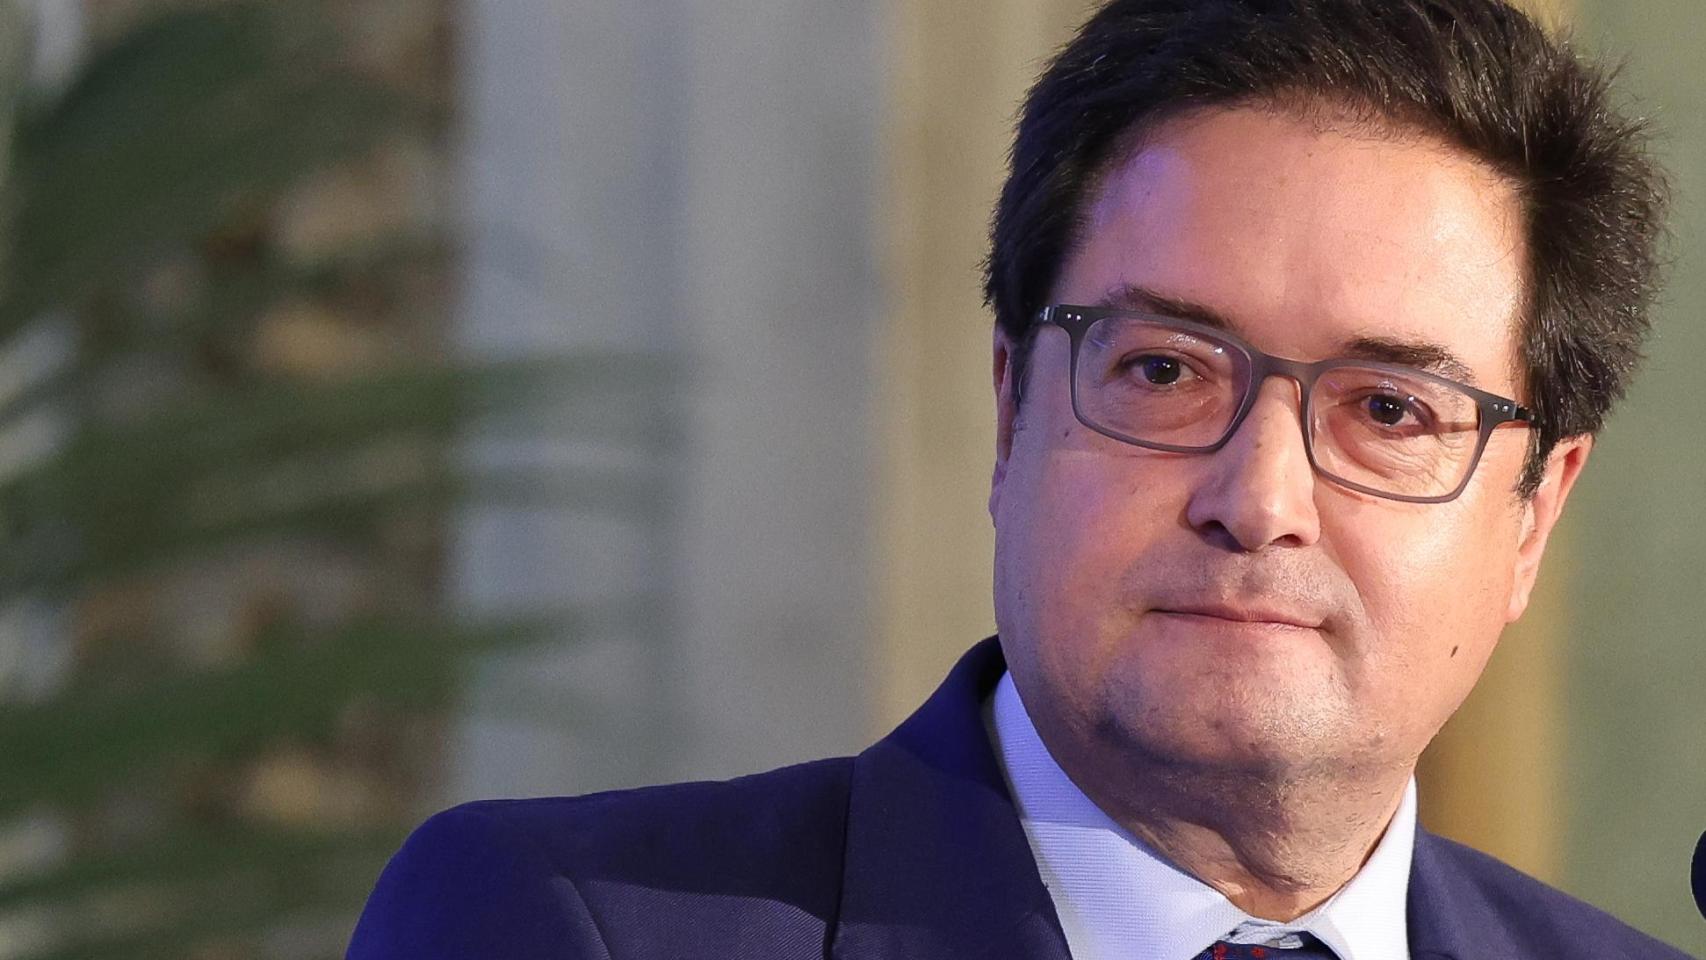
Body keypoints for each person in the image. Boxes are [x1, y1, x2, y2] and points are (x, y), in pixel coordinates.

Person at [347, 0, 1687, 957]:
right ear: (1011, 411)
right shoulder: (570, 923)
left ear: (1534, 515)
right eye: (1163, 371)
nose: (1259, 499)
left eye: (1388, 409)